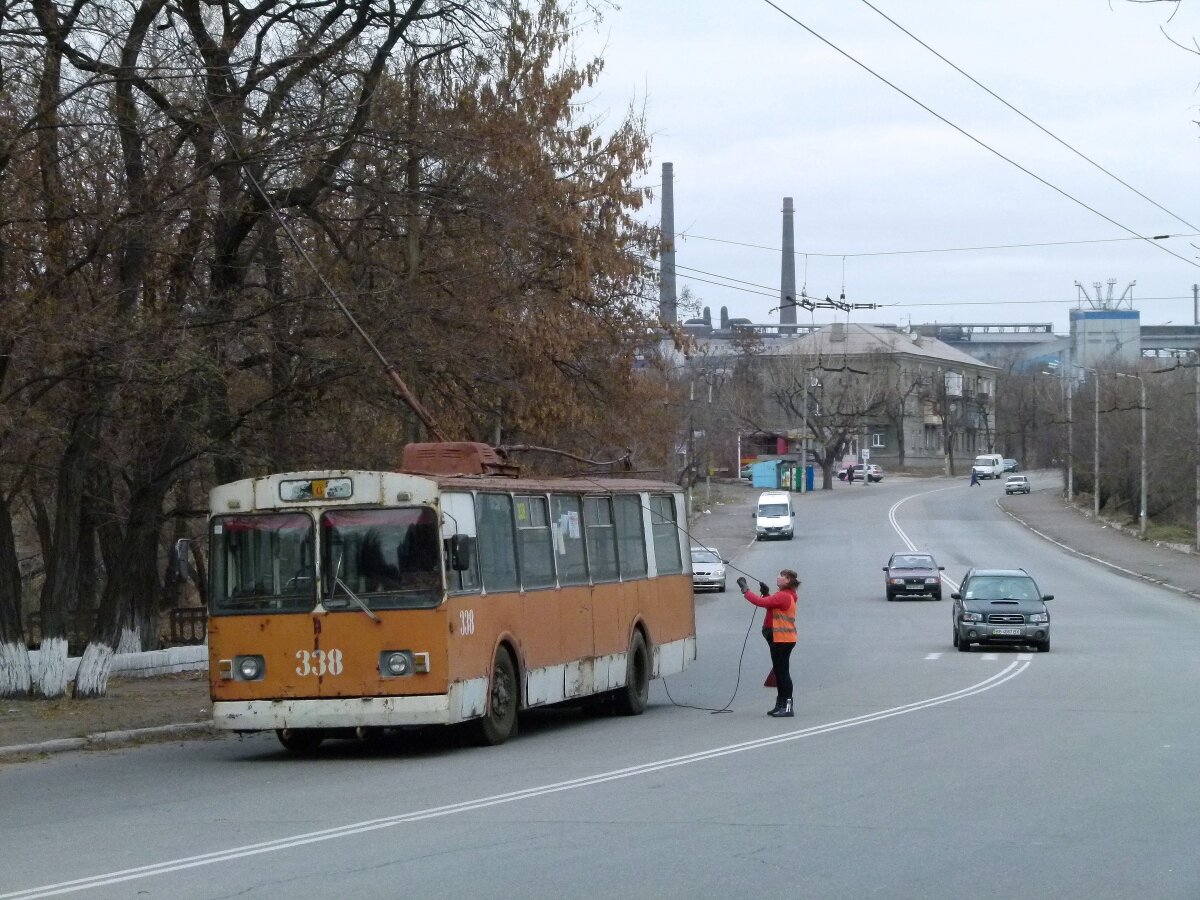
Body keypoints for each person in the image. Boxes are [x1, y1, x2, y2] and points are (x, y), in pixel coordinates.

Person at [737, 569, 800, 717]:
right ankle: (780, 704)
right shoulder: (785, 595)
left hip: (782, 639)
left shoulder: (784, 596)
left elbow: (760, 602)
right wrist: (766, 593)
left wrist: (745, 590)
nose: (778, 577)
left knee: (782, 673)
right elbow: (770, 605)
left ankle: (787, 707)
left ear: (788, 580)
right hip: (781, 639)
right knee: (779, 672)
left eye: (782, 576)